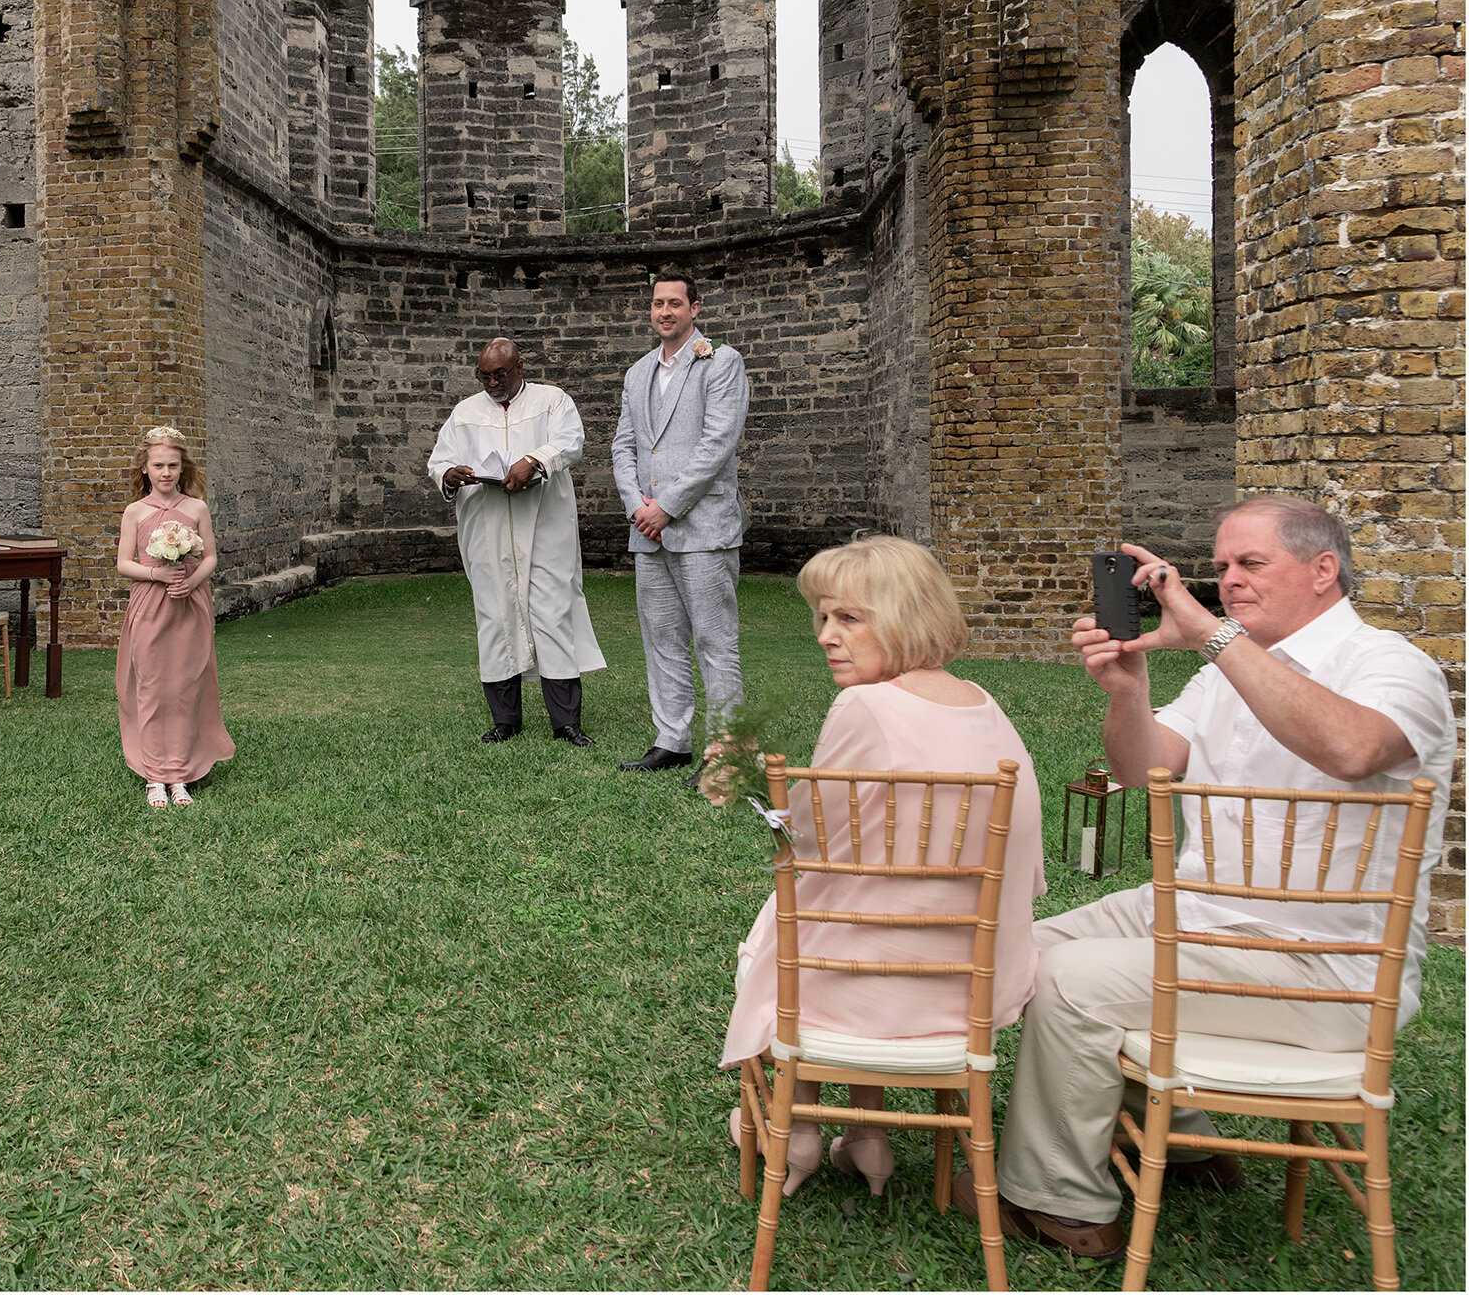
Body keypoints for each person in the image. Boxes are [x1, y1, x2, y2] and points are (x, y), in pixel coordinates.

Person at [969, 497, 1455, 1259]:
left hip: (1326, 969)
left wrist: (1211, 634)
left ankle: (1062, 1203)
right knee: (1015, 946)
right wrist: (1127, 689)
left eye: (1249, 564)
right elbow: (1142, 768)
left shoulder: (1391, 665)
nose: (1227, 582)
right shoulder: (1231, 669)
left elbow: (1355, 750)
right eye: (1221, 566)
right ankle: (1190, 1139)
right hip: (1202, 917)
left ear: (1323, 570)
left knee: (1070, 981)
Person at [721, 536, 1045, 1197]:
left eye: (848, 618)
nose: (825, 637)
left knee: (790, 919)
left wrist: (750, 790)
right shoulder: (983, 702)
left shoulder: (867, 706)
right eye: (822, 618)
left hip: (873, 983)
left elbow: (802, 843)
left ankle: (799, 1133)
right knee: (850, 909)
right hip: (966, 987)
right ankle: (866, 1131)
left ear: (902, 617)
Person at [426, 338, 604, 745]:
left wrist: (533, 461)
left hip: (544, 527)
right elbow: (439, 461)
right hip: (487, 530)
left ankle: (566, 723)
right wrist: (449, 475)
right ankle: (505, 721)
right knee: (495, 618)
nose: (492, 383)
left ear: (519, 367)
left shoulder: (552, 401)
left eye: (499, 374)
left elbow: (570, 442)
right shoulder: (464, 413)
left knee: (552, 614)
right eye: (484, 376)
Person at [612, 273, 750, 772]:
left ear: (696, 307)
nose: (664, 312)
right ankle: (672, 740)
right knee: (662, 638)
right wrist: (636, 506)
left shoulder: (721, 363)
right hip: (647, 531)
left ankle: (728, 752)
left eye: (674, 303)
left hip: (703, 528)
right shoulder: (637, 372)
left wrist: (666, 505)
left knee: (716, 642)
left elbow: (717, 444)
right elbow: (623, 445)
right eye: (656, 304)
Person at [115, 425, 234, 808]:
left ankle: (179, 775)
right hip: (150, 604)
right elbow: (123, 563)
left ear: (183, 468)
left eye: (173, 466)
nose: (166, 473)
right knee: (151, 689)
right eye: (158, 465)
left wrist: (190, 581)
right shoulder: (135, 512)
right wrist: (158, 574)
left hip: (190, 605)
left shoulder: (196, 508)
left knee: (185, 688)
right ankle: (154, 776)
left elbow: (210, 557)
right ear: (145, 469)